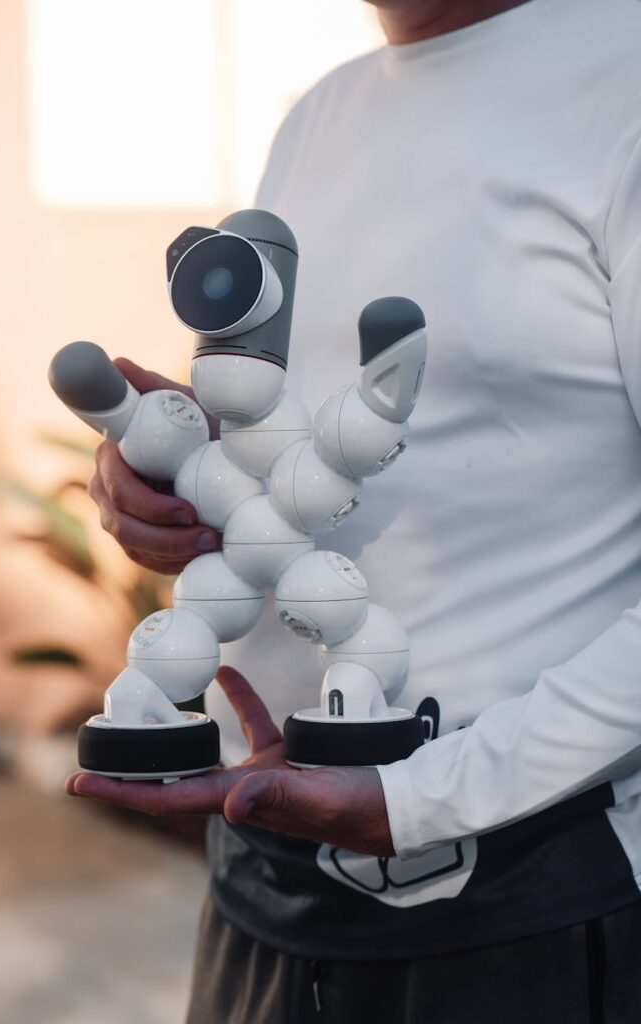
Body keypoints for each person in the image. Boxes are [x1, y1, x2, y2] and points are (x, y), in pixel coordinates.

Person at [67, 0, 641, 1019]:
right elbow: (287, 435)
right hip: (260, 888)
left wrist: (420, 799)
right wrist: (173, 486)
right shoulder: (317, 118)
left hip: (530, 920)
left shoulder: (623, 84)